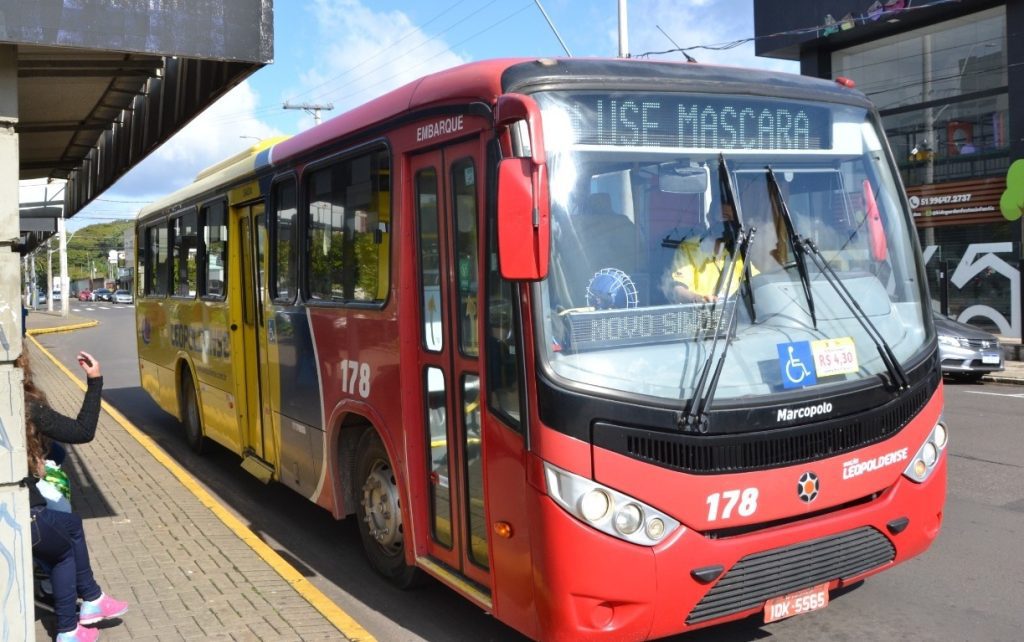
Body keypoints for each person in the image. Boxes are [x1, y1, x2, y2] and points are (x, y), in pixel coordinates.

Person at [20, 349, 128, 642]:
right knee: (64, 546)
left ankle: (92, 601)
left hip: (25, 512)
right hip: (21, 512)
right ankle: (70, 627)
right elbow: (82, 431)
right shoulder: (24, 405)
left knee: (68, 526)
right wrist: (95, 381)